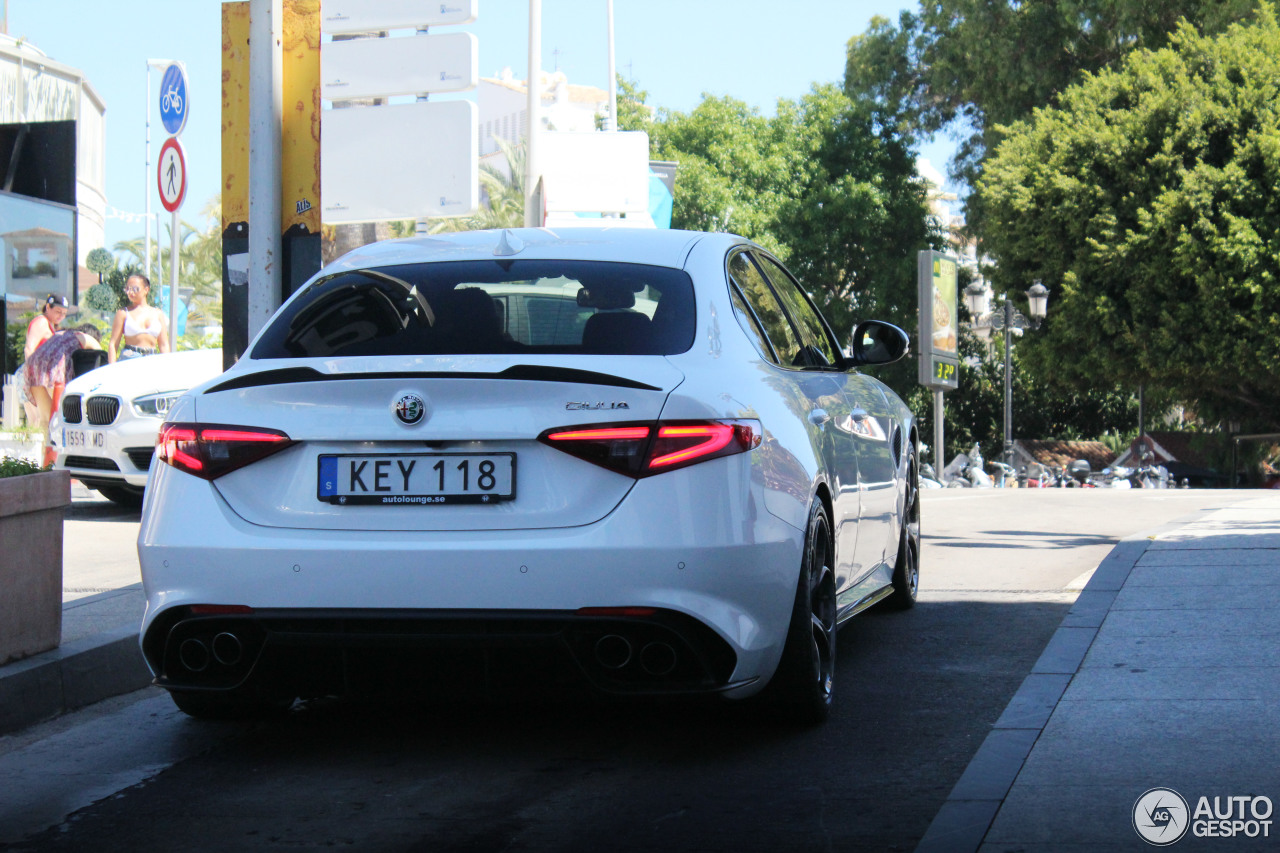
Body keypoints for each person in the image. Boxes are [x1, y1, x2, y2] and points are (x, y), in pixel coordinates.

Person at [25, 324, 103, 466]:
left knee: (45, 420)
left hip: (33, 364)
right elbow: (102, 360)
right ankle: (61, 462)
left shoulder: (61, 334)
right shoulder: (87, 338)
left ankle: (45, 462)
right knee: (60, 418)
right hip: (55, 367)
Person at [108, 274, 170, 362]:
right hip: (130, 357)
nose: (130, 292)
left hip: (152, 358)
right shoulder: (123, 313)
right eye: (127, 289)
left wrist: (167, 365)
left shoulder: (158, 313)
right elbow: (113, 344)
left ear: (146, 290)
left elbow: (164, 344)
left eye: (135, 289)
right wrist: (112, 368)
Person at [24, 294, 68, 360]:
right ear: (48, 307)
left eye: (64, 313)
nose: (61, 316)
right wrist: (31, 369)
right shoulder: (41, 322)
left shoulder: (52, 326)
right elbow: (29, 349)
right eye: (58, 311)